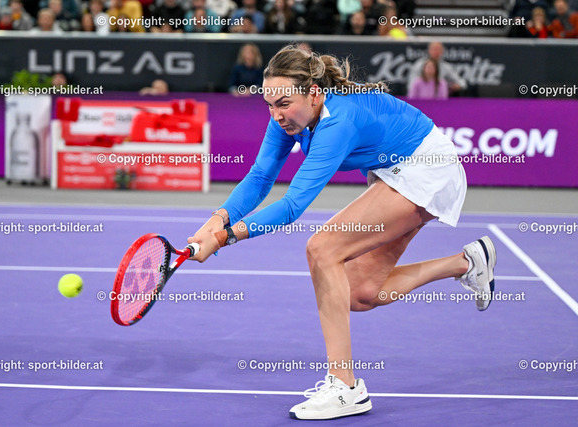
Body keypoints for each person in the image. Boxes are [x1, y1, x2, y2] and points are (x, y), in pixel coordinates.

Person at [187, 45, 497, 420]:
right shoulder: (289, 118)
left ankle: (344, 387)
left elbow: (292, 206)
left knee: (323, 248)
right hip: (395, 167)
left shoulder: (338, 123)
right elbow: (260, 177)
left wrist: (225, 238)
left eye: (283, 103)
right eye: (269, 104)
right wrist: (216, 219)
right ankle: (467, 263)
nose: (276, 115)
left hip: (427, 167)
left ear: (314, 93)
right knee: (361, 292)